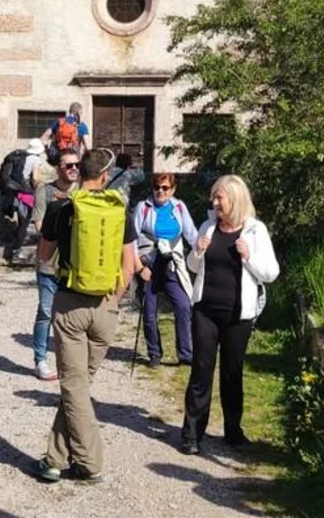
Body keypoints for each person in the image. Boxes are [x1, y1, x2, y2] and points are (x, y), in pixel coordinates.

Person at [33, 149, 137, 484]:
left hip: (70, 305)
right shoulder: (118, 209)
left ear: (79, 173)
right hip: (105, 306)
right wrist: (113, 301)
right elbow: (129, 267)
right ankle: (54, 459)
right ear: (105, 176)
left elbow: (44, 257)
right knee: (78, 386)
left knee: (74, 387)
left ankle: (90, 464)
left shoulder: (60, 208)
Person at [181, 175, 279, 453]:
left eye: (219, 198)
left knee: (232, 373)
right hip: (205, 311)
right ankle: (191, 435)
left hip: (238, 314)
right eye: (214, 197)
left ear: (235, 200)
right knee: (201, 370)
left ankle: (233, 431)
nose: (214, 203)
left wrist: (248, 257)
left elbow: (271, 273)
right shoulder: (208, 226)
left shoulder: (255, 231)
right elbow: (193, 266)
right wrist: (197, 252)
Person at [132, 173, 199, 367]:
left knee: (183, 305)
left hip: (171, 264)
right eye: (156, 187)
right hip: (149, 264)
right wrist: (139, 268)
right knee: (149, 311)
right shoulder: (143, 208)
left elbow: (192, 235)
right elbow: (131, 241)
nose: (160, 191)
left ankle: (185, 354)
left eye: (165, 187)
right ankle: (154, 353)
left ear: (173, 189)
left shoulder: (179, 207)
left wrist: (203, 254)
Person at [30, 148, 80, 381]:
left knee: (71, 315)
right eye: (68, 165)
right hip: (49, 263)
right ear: (58, 168)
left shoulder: (83, 192)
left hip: (74, 265)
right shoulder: (45, 191)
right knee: (46, 311)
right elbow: (39, 226)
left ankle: (68, 360)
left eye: (76, 165)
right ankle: (40, 360)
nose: (73, 169)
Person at [0, 138, 44, 253]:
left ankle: (15, 247)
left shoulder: (20, 158)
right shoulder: (36, 159)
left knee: (21, 222)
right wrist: (37, 186)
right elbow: (35, 178)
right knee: (24, 223)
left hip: (13, 193)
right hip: (24, 195)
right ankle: (16, 251)